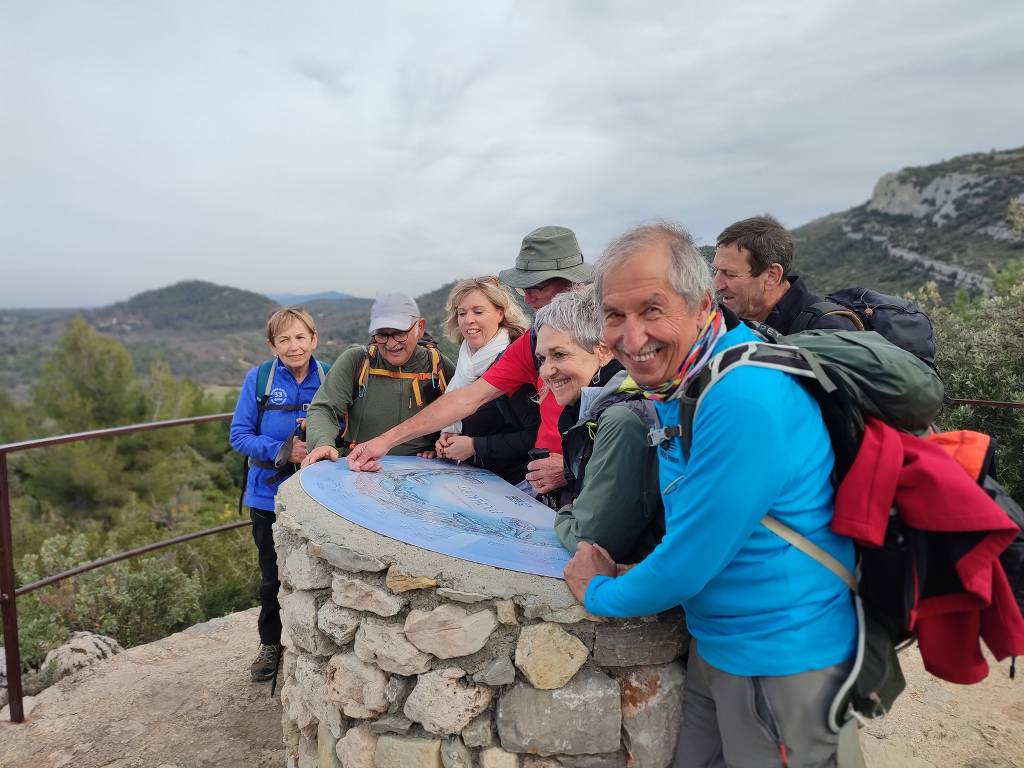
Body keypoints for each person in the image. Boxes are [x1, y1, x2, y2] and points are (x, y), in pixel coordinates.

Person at [565, 222, 859, 768]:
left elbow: (689, 562)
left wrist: (598, 591)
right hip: (721, 646)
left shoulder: (742, 395)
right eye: (615, 315)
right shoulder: (686, 381)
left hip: (784, 659)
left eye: (652, 310)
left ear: (702, 305)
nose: (632, 338)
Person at [347, 226, 593, 499]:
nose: (529, 297)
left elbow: (628, 428)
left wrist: (572, 466)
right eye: (524, 288)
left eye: (538, 286)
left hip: (588, 485)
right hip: (548, 487)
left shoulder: (609, 338)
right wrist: (384, 441)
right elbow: (466, 399)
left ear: (573, 283)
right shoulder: (532, 342)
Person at [229, 307, 333, 682]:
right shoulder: (258, 380)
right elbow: (239, 435)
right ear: (273, 345)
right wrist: (283, 449)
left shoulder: (329, 377)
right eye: (284, 339)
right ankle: (271, 644)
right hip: (267, 496)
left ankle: (321, 645)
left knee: (321, 572)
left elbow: (347, 424)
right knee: (272, 576)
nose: (294, 346)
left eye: (301, 337)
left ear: (314, 339)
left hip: (317, 495)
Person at [533, 286, 663, 561]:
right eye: (542, 358)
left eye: (560, 354)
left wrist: (568, 511)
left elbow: (590, 541)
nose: (546, 371)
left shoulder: (622, 419)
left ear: (603, 351)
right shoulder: (590, 412)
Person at [302, 293, 455, 465]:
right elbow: (323, 408)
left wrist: (440, 445)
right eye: (382, 334)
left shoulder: (437, 366)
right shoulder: (357, 362)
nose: (391, 344)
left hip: (422, 475)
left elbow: (463, 416)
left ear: (419, 327)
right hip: (359, 468)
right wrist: (323, 443)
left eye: (399, 333)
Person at [434, 277, 539, 486]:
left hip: (516, 486)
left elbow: (535, 436)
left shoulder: (515, 363)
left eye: (478, 312)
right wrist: (447, 438)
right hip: (477, 480)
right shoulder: (468, 362)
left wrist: (475, 446)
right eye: (462, 313)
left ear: (500, 313)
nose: (468, 320)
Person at [712, 215, 859, 335]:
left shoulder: (827, 331)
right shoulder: (726, 326)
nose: (717, 285)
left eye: (729, 274)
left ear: (772, 276)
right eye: (716, 271)